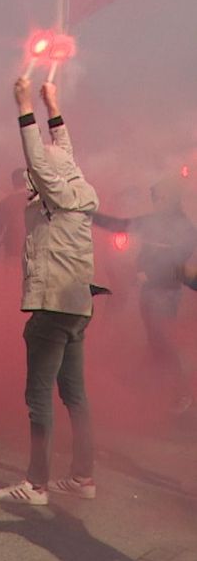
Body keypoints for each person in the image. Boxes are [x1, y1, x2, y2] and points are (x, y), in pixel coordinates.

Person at [0, 78, 100, 506]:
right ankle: (83, 478)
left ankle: (35, 485)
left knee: (39, 398)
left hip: (52, 307)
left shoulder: (53, 193)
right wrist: (53, 104)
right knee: (75, 394)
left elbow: (36, 153)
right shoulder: (75, 186)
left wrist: (22, 104)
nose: (29, 181)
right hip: (79, 307)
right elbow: (61, 150)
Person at [92, 177, 197, 416]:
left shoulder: (185, 229)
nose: (154, 202)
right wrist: (89, 214)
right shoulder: (154, 222)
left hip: (166, 292)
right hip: (151, 290)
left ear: (170, 198)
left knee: (163, 340)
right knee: (154, 340)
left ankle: (182, 393)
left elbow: (178, 266)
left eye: (157, 197)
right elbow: (120, 225)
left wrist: (151, 274)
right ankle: (158, 394)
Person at [0, 168, 32, 260]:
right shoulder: (40, 200)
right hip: (37, 252)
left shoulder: (6, 203)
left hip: (13, 251)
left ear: (13, 182)